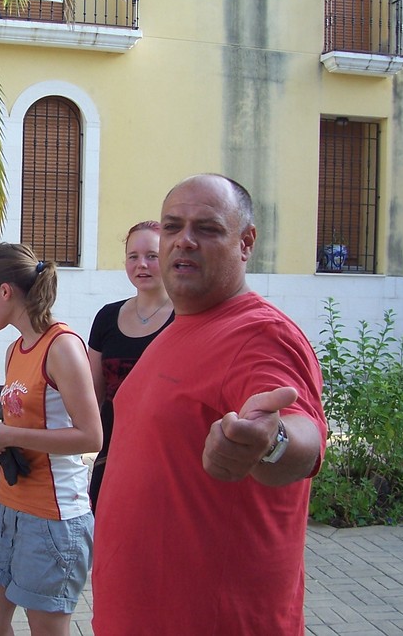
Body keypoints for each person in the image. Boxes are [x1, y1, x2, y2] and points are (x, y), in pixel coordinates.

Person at [91, 174, 328, 635]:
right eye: (173, 227)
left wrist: (270, 442)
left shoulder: (260, 335)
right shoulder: (178, 328)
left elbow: (304, 437)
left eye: (208, 228)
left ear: (246, 243)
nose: (185, 241)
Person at [0, 243, 102, 636]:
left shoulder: (62, 346)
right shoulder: (14, 349)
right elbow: (31, 430)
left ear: (5, 291)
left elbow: (91, 436)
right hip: (10, 505)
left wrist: (6, 432)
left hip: (54, 515)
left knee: (46, 628)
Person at [86, 220, 174, 512]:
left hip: (167, 458)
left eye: (152, 255)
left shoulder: (187, 319)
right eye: (133, 257)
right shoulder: (107, 318)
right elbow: (92, 395)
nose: (142, 265)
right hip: (112, 454)